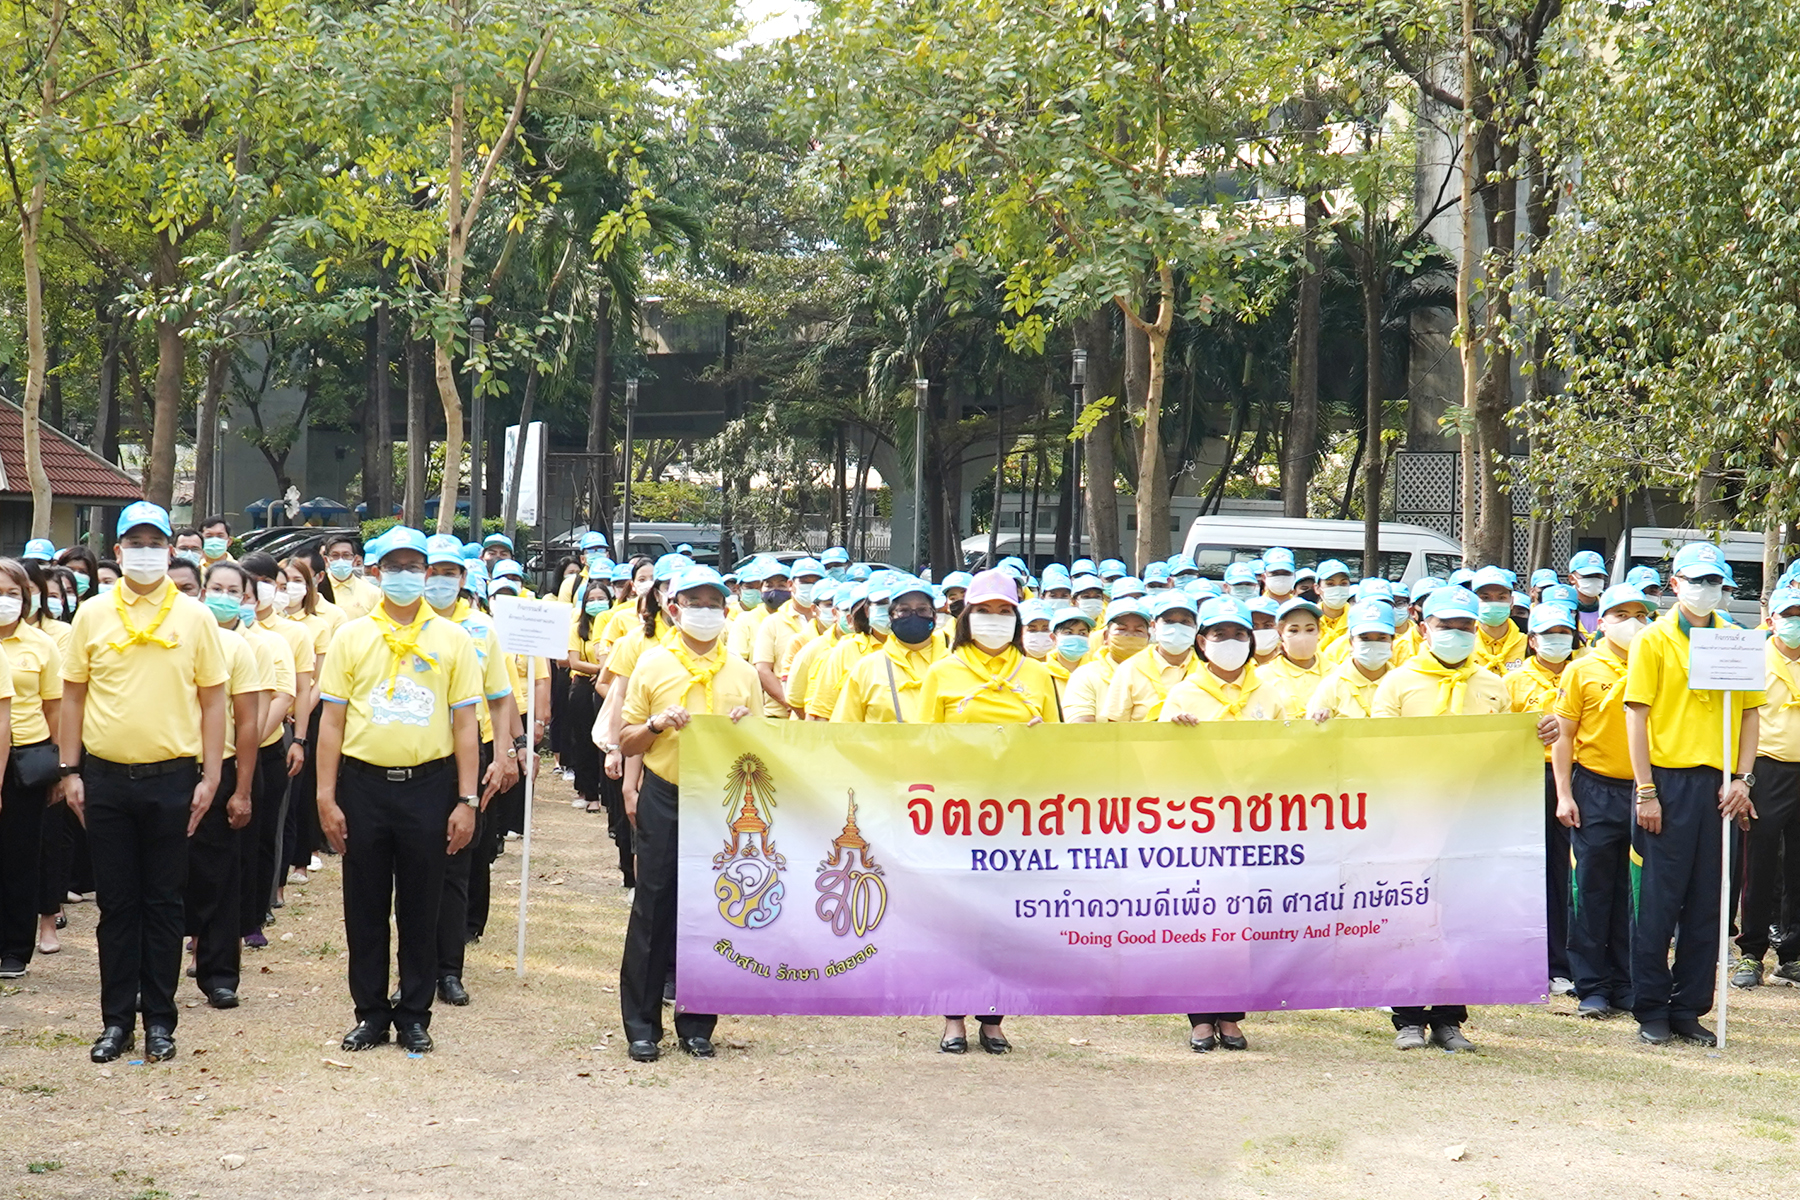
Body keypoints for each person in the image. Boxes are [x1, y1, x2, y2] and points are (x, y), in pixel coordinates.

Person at [60, 501, 228, 1064]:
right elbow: (74, 695)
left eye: (157, 543)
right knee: (117, 904)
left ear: (172, 550)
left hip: (172, 780)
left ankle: (160, 1019)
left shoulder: (195, 617)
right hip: (105, 779)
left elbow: (212, 700)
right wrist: (71, 770)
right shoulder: (93, 614)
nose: (147, 553)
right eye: (136, 543)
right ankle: (116, 1021)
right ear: (118, 550)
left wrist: (212, 774)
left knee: (163, 901)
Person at [315, 526, 483, 1054]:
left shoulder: (453, 639)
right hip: (362, 785)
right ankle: (370, 1013)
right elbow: (332, 723)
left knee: (421, 904)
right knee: (363, 904)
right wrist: (325, 795)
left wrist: (467, 799)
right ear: (375, 571)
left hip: (429, 787)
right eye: (396, 566)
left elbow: (464, 726)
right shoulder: (351, 635)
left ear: (429, 573)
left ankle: (414, 1012)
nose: (407, 576)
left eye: (416, 567)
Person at [617, 564, 762, 1062]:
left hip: (721, 802)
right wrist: (656, 724)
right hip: (668, 792)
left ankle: (697, 1024)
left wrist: (744, 729)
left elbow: (761, 748)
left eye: (715, 604)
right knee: (652, 906)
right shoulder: (653, 664)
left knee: (710, 909)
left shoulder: (742, 673)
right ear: (673, 609)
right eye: (695, 603)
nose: (706, 612)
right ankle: (641, 1025)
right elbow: (627, 737)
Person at [914, 568, 1058, 1055]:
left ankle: (993, 1018)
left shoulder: (1037, 674)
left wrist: (1039, 742)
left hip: (1017, 818)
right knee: (955, 916)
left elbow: (1060, 749)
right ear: (965, 616)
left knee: (1004, 919)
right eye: (984, 612)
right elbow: (921, 746)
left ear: (1017, 619)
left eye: (1004, 612)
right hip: (956, 816)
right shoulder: (942, 672)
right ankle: (953, 1018)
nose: (994, 620)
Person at [1622, 543, 1761, 1047]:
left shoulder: (1738, 639)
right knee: (1660, 901)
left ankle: (1690, 1008)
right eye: (1695, 579)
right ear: (1675, 582)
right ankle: (1651, 1008)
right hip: (1668, 781)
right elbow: (1635, 715)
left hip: (1720, 785)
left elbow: (1749, 714)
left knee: (1710, 903)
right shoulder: (1653, 640)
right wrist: (1645, 790)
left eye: (1713, 581)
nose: (1705, 590)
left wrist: (1743, 778)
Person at [1369, 584, 1511, 1052]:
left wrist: (1540, 732)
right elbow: (1376, 751)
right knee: (1409, 916)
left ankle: (1450, 1019)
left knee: (1460, 919)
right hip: (1409, 818)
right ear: (1424, 625)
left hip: (1469, 820)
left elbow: (1504, 753)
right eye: (1446, 625)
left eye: (1465, 626)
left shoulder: (1493, 685)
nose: (1456, 633)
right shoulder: (1397, 682)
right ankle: (1407, 1017)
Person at [1160, 596, 1280, 1051]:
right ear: (1201, 642)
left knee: (1241, 924)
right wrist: (1172, 729)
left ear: (1251, 642)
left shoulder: (1269, 693)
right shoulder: (1183, 693)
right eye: (1219, 635)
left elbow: (1289, 753)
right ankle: (1199, 1018)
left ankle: (1231, 1015)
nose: (1229, 643)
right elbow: (1156, 759)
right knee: (1199, 918)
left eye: (1238, 635)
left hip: (1254, 822)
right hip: (1198, 822)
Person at [421, 535, 522, 1007]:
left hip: (472, 753)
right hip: (418, 753)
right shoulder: (406, 625)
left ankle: (449, 970)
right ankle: (417, 967)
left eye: (449, 573)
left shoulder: (482, 629)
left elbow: (501, 699)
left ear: (463, 579)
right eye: (433, 571)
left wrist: (505, 754)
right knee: (417, 866)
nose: (440, 581)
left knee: (459, 862)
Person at [1552, 583, 1652, 1019]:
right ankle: (1590, 984)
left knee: (1633, 891)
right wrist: (1563, 794)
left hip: (1643, 791)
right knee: (1590, 886)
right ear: (1602, 621)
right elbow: (1564, 736)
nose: (1633, 623)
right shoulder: (1581, 670)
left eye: (1641, 615)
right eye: (1622, 615)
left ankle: (1626, 981)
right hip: (1594, 788)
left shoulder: (1658, 665)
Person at [181, 560, 267, 1008]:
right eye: (215, 586)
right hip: (171, 768)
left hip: (223, 768)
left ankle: (219, 974)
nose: (222, 596)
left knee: (219, 876)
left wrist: (242, 789)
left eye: (233, 590)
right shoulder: (178, 639)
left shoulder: (237, 648)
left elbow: (248, 724)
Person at [1504, 603, 1580, 996]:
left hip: (1577, 779)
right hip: (1531, 778)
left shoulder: (1583, 672)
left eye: (1564, 633)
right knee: (1537, 869)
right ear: (1531, 640)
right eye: (1548, 634)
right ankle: (1538, 958)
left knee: (1570, 873)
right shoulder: (1513, 682)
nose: (1557, 640)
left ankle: (1567, 961)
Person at [1733, 586, 1800, 989]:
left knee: (1798, 866)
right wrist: (1741, 777)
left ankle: (1791, 954)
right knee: (1758, 864)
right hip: (1767, 768)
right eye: (1788, 614)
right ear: (1771, 619)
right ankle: (1751, 952)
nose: (1795, 622)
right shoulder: (1752, 658)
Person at [0, 560, 52, 979]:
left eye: (12, 593)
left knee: (20, 853)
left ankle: (16, 946)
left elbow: (54, 708)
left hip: (26, 760)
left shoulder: (40, 645)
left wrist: (57, 767)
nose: (5, 601)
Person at [831, 579, 945, 723]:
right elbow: (844, 731)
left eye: (922, 610)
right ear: (890, 617)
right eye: (904, 610)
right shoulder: (866, 669)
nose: (913, 616)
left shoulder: (955, 665)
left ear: (934, 616)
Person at [1101, 592, 1201, 723]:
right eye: (1169, 621)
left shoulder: (1207, 668)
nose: (1177, 628)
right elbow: (1116, 726)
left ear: (1196, 627)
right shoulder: (1131, 668)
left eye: (1185, 622)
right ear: (1154, 627)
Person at [1306, 600, 1398, 721]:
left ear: (1392, 642)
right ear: (1351, 642)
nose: (1373, 644)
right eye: (1364, 638)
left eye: (1382, 638)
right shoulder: (1331, 686)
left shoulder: (1403, 683)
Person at [753, 557, 823, 717]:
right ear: (791, 585)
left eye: (815, 582)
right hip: (780, 715)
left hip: (823, 717)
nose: (810, 587)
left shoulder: (829, 622)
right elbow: (763, 669)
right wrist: (791, 703)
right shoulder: (773, 622)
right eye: (805, 582)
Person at [1062, 599, 1150, 722]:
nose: (1130, 635)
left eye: (1138, 631)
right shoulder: (1085, 675)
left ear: (1148, 638)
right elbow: (1080, 728)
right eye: (1121, 629)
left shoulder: (1161, 673)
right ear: (1106, 636)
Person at [1263, 597, 1327, 719]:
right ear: (1280, 632)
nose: (1302, 637)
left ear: (1319, 631)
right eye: (1293, 630)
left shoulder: (1336, 674)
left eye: (1310, 629)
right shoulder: (1263, 676)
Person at [321, 534, 379, 620]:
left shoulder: (373, 593)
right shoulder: (316, 590)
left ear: (355, 560)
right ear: (326, 560)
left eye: (346, 555)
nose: (341, 560)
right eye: (335, 555)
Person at [1314, 560, 1354, 648]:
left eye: (1343, 583)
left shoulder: (1358, 618)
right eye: (1330, 584)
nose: (1338, 589)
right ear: (1317, 588)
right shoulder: (1309, 618)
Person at [1568, 551, 1609, 634]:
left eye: (1598, 576)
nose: (1593, 579)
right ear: (1572, 578)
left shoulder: (1609, 606)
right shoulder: (1564, 608)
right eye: (1587, 576)